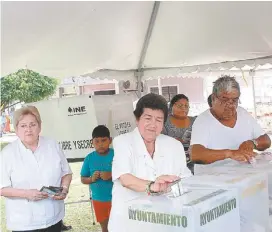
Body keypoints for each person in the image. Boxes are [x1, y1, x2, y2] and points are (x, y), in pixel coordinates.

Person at [108, 93, 192, 232]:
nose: (153, 125)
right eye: (148, 118)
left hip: (165, 222)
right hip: (128, 223)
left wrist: (174, 186)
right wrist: (153, 186)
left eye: (159, 120)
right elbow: (125, 179)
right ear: (137, 119)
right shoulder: (123, 142)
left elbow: (185, 180)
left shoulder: (174, 146)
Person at [0, 106, 73, 232]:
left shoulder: (52, 145)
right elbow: (2, 188)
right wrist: (27, 194)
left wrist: (64, 189)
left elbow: (66, 173)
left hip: (54, 218)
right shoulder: (7, 153)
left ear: (39, 126)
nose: (28, 129)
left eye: (32, 124)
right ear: (16, 129)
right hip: (24, 223)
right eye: (23, 126)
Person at [190, 75, 271, 165]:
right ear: (213, 98)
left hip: (245, 174)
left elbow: (266, 140)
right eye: (224, 99)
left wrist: (253, 143)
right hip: (214, 176)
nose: (230, 105)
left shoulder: (243, 113)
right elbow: (195, 154)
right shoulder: (203, 121)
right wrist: (230, 153)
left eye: (234, 100)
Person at [80, 125, 114, 232]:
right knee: (105, 228)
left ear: (110, 140)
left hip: (117, 199)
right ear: (92, 142)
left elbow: (126, 174)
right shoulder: (89, 158)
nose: (100, 144)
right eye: (97, 141)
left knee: (120, 226)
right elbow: (83, 179)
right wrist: (91, 179)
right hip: (99, 200)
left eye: (103, 140)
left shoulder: (117, 154)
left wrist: (112, 175)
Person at [162, 94, 196, 173]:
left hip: (192, 161)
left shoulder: (194, 121)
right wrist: (179, 141)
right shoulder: (164, 121)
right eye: (180, 106)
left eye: (186, 106)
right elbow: (159, 141)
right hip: (171, 161)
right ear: (171, 107)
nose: (184, 108)